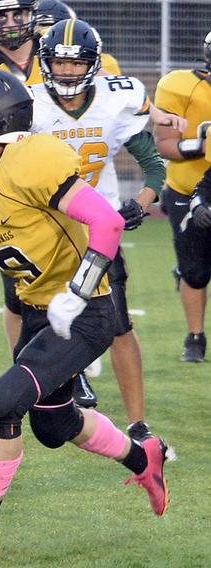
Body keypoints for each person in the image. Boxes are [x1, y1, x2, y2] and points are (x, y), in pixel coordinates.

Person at [0, 68, 171, 557]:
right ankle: (144, 458)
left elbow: (106, 221)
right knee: (54, 428)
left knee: (2, 402)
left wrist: (78, 290)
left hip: (86, 309)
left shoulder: (31, 159)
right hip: (38, 314)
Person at [31, 19, 165, 440]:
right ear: (45, 62)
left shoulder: (115, 100)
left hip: (98, 234)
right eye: (60, 63)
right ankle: (58, 395)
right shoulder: (28, 104)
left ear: (94, 64)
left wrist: (139, 204)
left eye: (77, 64)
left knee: (120, 324)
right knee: (41, 320)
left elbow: (154, 167)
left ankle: (138, 423)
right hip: (45, 234)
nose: (68, 72)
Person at [154, 30, 211, 362]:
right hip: (188, 189)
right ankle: (195, 336)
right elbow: (164, 145)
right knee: (194, 271)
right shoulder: (180, 86)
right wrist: (202, 147)